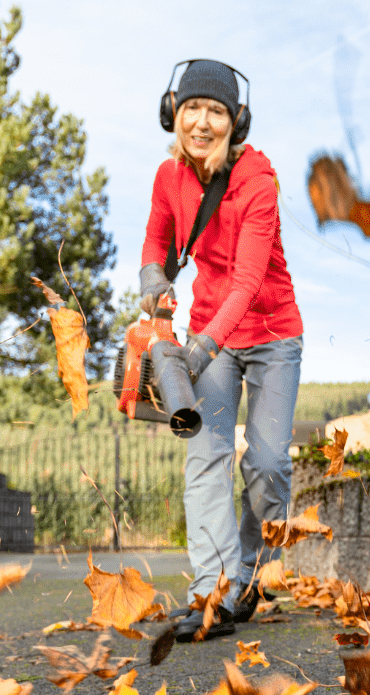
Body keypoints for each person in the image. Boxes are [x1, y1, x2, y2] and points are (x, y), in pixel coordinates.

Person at [138, 59, 303, 641]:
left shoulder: (258, 181)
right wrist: (152, 282)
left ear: (237, 121)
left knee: (265, 465)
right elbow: (156, 243)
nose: (202, 122)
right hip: (209, 329)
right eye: (191, 110)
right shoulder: (168, 178)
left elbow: (249, 281)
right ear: (173, 114)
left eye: (215, 111)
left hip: (271, 333)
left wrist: (201, 348)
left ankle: (253, 569)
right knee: (205, 457)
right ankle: (212, 592)